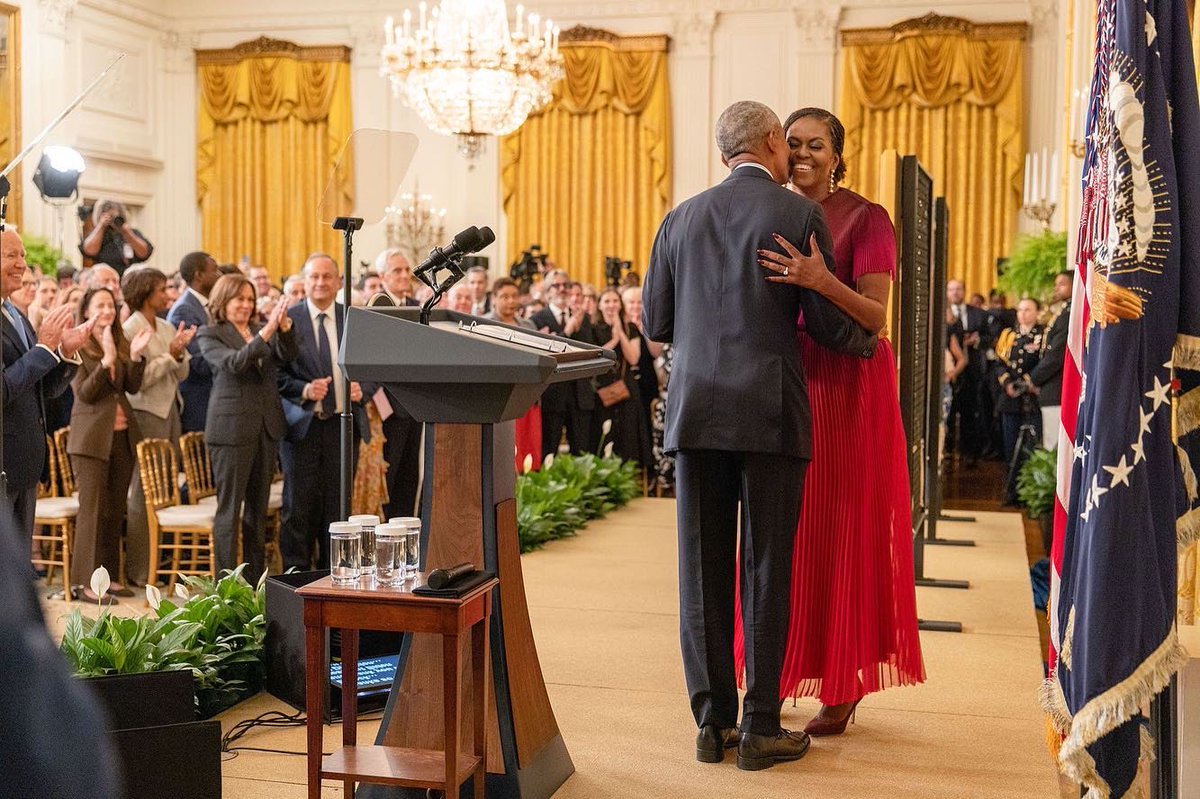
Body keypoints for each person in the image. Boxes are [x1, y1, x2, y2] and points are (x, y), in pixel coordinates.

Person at [642, 100, 876, 770]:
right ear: (772, 142)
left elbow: (658, 320)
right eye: (787, 144)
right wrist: (867, 331)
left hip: (695, 414)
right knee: (766, 567)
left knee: (702, 570)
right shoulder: (797, 215)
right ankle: (761, 725)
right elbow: (827, 325)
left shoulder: (679, 217)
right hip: (770, 413)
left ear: (724, 153)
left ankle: (711, 724)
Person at [738, 106, 925, 736]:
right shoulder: (777, 212)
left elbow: (876, 317)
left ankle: (843, 683)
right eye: (793, 144)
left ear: (838, 153)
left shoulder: (866, 218)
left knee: (842, 529)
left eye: (817, 144)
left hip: (850, 385)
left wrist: (820, 280)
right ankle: (785, 670)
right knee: (790, 534)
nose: (805, 154)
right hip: (791, 381)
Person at [198, 275, 296, 583]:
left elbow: (286, 358)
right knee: (230, 511)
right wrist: (266, 332)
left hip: (265, 427)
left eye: (249, 299)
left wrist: (284, 331)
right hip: (231, 430)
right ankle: (225, 586)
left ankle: (257, 583)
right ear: (222, 301)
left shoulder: (256, 331)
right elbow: (235, 364)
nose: (245, 305)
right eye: (238, 299)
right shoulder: (209, 333)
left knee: (258, 510)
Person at [276, 254, 370, 571]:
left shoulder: (354, 318)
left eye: (327, 277)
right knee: (298, 509)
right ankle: (297, 579)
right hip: (303, 428)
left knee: (338, 508)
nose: (320, 283)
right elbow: (276, 375)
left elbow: (372, 367)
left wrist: (363, 389)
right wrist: (304, 390)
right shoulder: (289, 319)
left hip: (343, 428)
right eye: (314, 277)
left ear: (338, 281)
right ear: (304, 281)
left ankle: (336, 578)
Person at [2, 228, 89, 548]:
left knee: (17, 577)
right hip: (3, 463)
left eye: (23, 255)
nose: (22, 264)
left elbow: (40, 390)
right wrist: (43, 350)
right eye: (12, 255)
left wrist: (64, 353)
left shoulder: (14, 314)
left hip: (24, 462)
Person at [67, 287, 153, 601]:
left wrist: (135, 356)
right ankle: (84, 584)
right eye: (100, 305)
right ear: (86, 309)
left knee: (114, 511)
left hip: (121, 436)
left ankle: (108, 577)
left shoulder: (118, 338)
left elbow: (130, 386)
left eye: (111, 306)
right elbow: (86, 393)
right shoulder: (77, 342)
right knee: (91, 511)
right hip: (90, 439)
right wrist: (106, 361)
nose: (107, 311)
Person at [122, 267, 196, 586]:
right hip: (145, 413)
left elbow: (182, 374)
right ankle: (140, 569)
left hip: (170, 410)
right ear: (144, 291)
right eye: (161, 289)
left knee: (166, 489)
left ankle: (163, 561)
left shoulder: (165, 326)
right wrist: (170, 356)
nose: (168, 294)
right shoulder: (130, 328)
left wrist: (178, 356)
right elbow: (137, 382)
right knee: (143, 491)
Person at [372, 248, 423, 518]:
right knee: (389, 481)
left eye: (407, 270)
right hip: (388, 409)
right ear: (382, 276)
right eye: (397, 271)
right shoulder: (378, 305)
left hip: (415, 405)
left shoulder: (414, 305)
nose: (405, 275)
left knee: (408, 479)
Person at [530, 274, 596, 456]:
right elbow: (545, 355)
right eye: (556, 285)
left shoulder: (584, 318)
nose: (562, 289)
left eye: (565, 285)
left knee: (581, 453)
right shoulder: (537, 319)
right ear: (547, 291)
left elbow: (589, 351)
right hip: (553, 393)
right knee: (548, 450)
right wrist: (566, 332)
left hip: (579, 395)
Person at [590, 288, 652, 466]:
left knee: (628, 435)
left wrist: (620, 333)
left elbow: (633, 358)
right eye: (607, 301)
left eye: (615, 301)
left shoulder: (630, 327)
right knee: (604, 434)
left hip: (626, 387)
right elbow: (595, 357)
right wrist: (613, 342)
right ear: (600, 305)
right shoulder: (593, 328)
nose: (611, 305)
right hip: (602, 388)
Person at [486, 277, 542, 469]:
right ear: (494, 298)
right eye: (504, 297)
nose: (510, 301)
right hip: (497, 396)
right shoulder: (483, 323)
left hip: (526, 393)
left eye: (514, 296)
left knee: (528, 450)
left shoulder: (528, 326)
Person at [168, 252, 220, 433]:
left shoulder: (206, 305)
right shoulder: (185, 309)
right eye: (215, 270)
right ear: (199, 275)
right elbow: (199, 360)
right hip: (199, 401)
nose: (219, 275)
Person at [995, 298, 1044, 464]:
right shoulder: (1009, 335)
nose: (1023, 314)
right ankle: (1011, 485)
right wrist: (1007, 382)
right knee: (1010, 445)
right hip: (1011, 398)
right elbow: (1000, 364)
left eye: (1028, 310)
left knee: (1032, 447)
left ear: (1037, 312)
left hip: (1033, 397)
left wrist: (1029, 382)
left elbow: (1044, 362)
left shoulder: (1042, 335)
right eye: (1020, 310)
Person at [946, 278, 988, 463]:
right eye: (952, 289)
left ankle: (968, 453)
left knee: (969, 413)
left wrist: (976, 340)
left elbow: (990, 337)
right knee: (947, 413)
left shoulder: (978, 314)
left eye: (959, 289)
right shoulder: (941, 315)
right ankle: (947, 452)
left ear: (964, 291)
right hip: (947, 372)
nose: (955, 292)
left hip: (972, 372)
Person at [1030, 270, 1073, 450]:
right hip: (1051, 387)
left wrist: (1034, 378)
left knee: (1053, 445)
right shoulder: (1063, 312)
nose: (1056, 288)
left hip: (1056, 386)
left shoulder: (1068, 315)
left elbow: (1056, 354)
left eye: (1062, 284)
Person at [80, 199, 153, 275]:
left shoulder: (131, 232)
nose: (112, 220)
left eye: (115, 217)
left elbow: (144, 253)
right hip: (106, 276)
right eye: (109, 217)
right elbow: (89, 251)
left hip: (131, 275)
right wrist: (101, 225)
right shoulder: (98, 234)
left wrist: (126, 232)